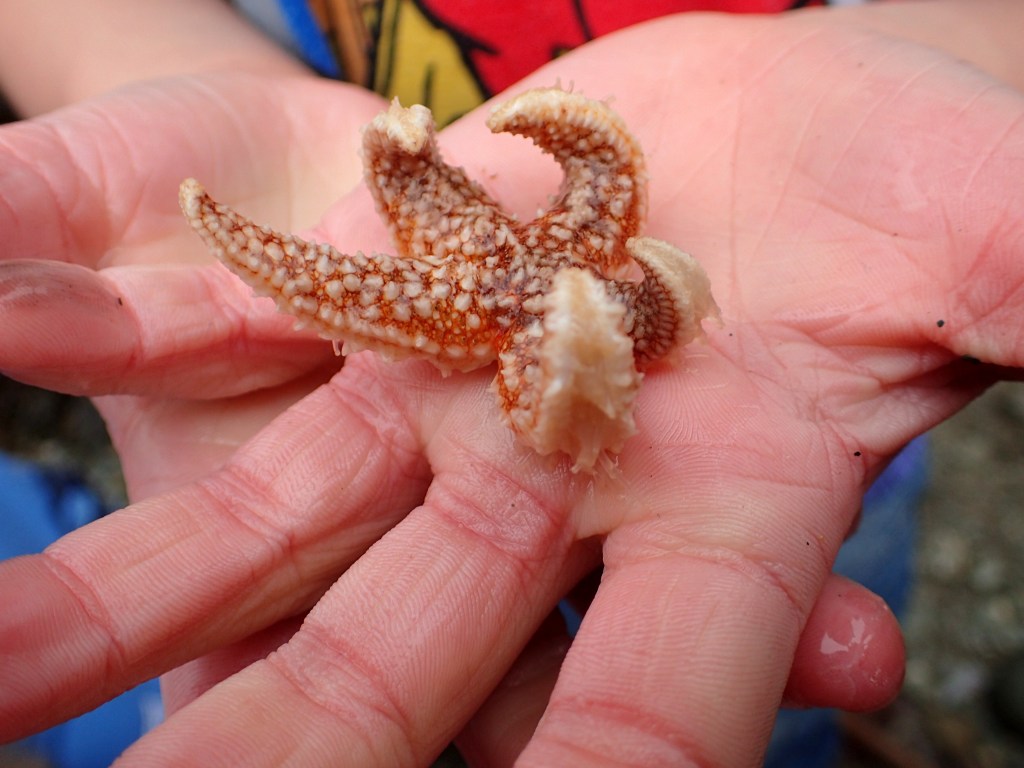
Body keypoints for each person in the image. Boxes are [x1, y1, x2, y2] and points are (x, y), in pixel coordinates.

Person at [0, 1, 1021, 765]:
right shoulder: (494, 264)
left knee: (768, 682)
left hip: (820, 454)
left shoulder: (584, 282)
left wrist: (959, 51)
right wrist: (166, 60)